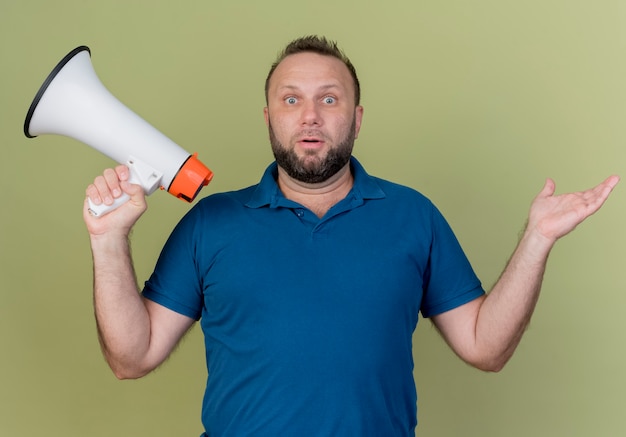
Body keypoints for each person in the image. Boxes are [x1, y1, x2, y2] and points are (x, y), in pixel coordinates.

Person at [83, 35, 619, 436]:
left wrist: (537, 239)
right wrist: (108, 242)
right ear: (268, 116)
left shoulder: (413, 216)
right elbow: (132, 358)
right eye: (291, 100)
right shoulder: (209, 223)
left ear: (357, 118)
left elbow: (486, 347)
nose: (310, 116)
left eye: (330, 99)